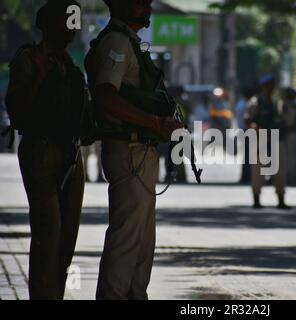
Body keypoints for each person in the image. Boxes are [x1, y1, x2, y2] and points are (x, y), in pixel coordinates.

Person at [85, 0, 182, 299]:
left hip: (140, 150)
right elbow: (105, 95)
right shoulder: (116, 41)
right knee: (127, 238)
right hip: (128, 149)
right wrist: (154, 121)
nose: (147, 7)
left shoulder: (129, 41)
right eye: (140, 2)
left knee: (141, 239)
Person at [5, 0, 86, 299]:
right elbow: (16, 108)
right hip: (41, 150)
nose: (71, 28)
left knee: (66, 238)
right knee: (48, 232)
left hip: (70, 153)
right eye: (66, 20)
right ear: (49, 24)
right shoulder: (30, 59)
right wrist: (40, 76)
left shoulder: (69, 65)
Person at [245, 75, 289, 209]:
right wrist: (259, 130)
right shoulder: (255, 102)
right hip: (261, 141)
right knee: (258, 173)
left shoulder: (278, 102)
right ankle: (256, 200)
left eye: (272, 85)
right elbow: (248, 121)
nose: (270, 88)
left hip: (276, 140)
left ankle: (281, 200)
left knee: (280, 172)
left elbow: (283, 119)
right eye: (268, 85)